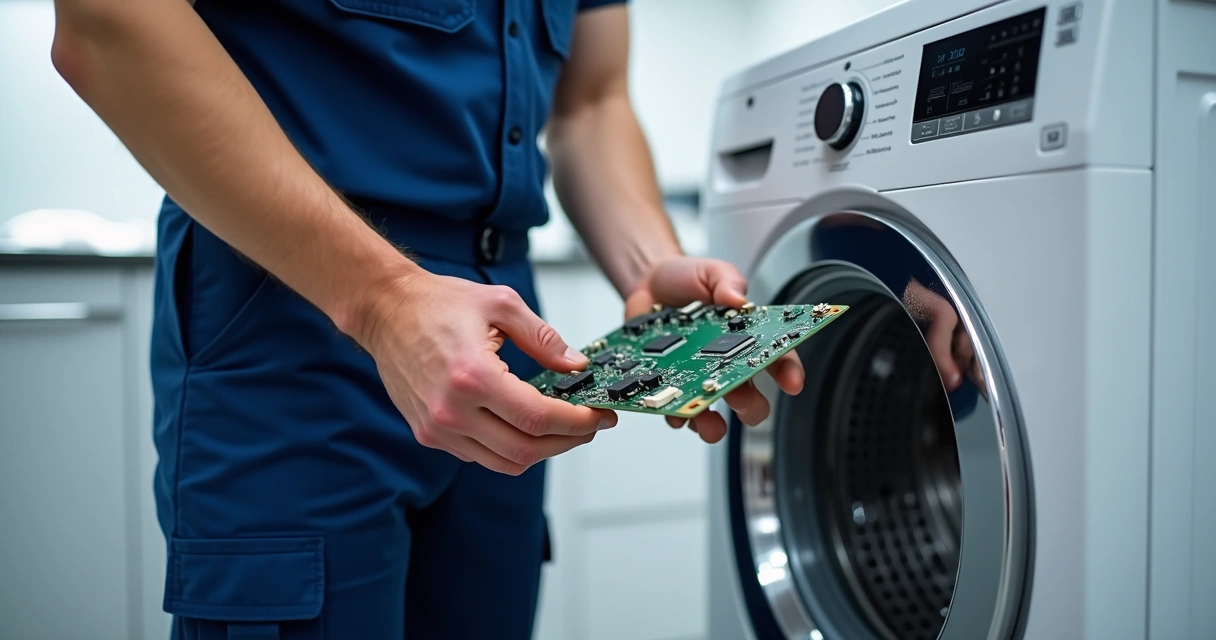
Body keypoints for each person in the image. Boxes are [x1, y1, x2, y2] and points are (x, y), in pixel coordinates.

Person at [49, 0, 804, 637]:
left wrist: (646, 269)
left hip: (502, 328)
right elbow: (107, 22)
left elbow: (592, 102)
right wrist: (383, 298)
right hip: (288, 303)